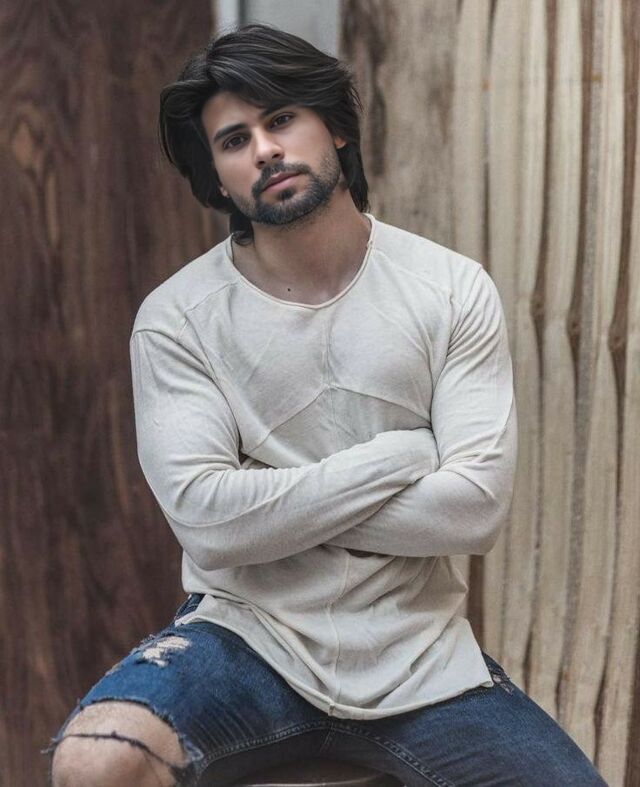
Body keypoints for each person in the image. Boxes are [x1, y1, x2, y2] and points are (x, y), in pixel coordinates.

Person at [44, 22, 608, 787]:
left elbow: (474, 510)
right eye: (234, 140)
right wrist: (403, 456)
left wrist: (262, 505)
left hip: (421, 660)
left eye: (281, 119)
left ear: (336, 128)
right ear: (218, 180)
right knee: (94, 760)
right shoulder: (178, 318)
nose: (265, 150)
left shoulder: (449, 289)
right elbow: (208, 522)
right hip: (245, 642)